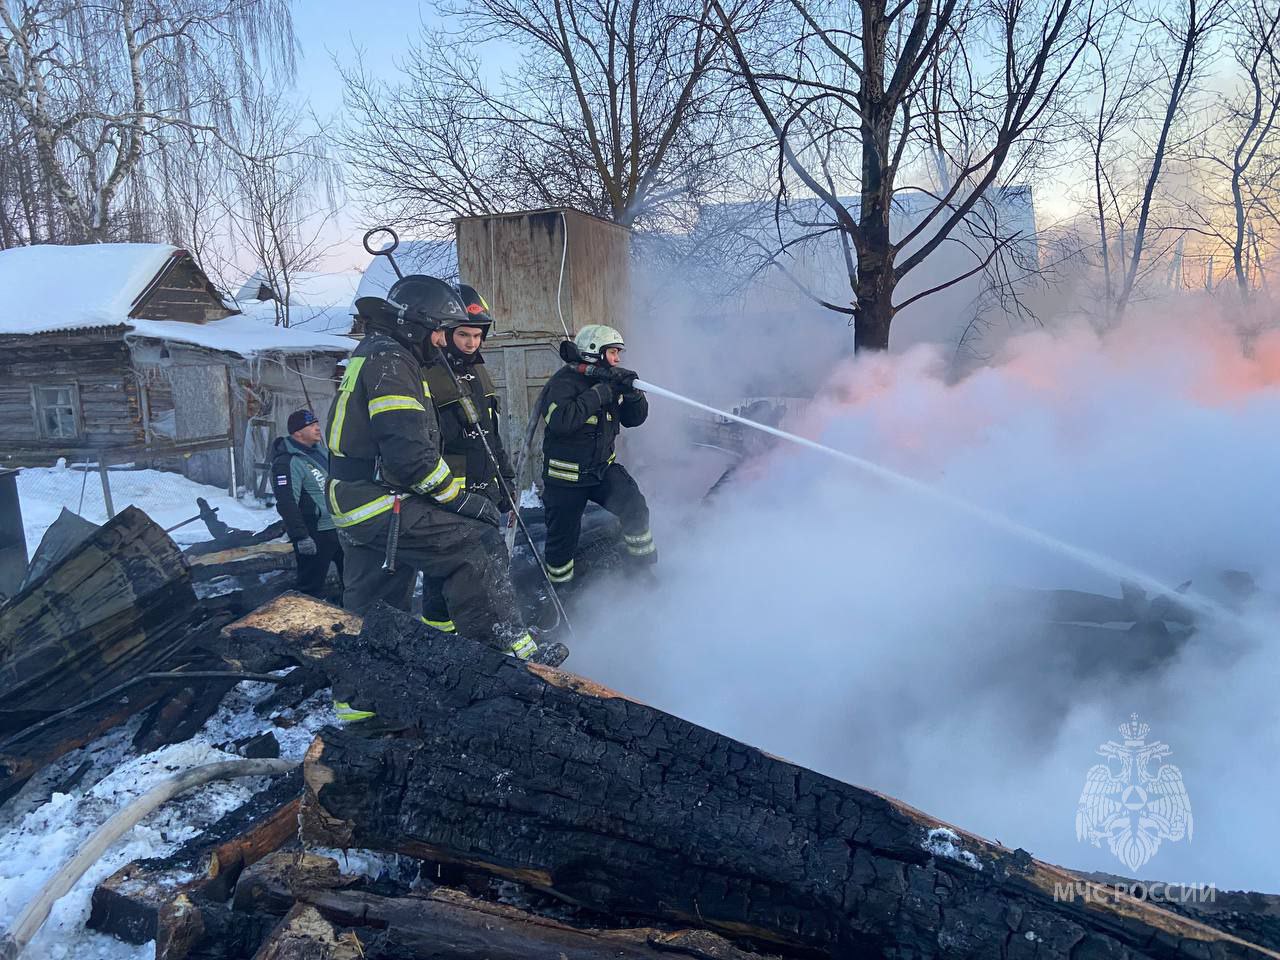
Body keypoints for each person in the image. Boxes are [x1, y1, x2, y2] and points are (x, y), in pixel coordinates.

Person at [324, 273, 566, 673]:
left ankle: (366, 708)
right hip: (378, 498)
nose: (442, 341)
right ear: (414, 324)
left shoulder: (377, 352)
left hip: (361, 496)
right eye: (439, 332)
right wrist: (463, 502)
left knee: (377, 613)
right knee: (478, 544)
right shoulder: (392, 361)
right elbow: (412, 457)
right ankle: (506, 658)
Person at [418, 283, 517, 633]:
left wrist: (506, 479)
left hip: (484, 486)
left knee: (493, 563)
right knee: (444, 567)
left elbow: (492, 433)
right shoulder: (427, 374)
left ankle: (490, 632)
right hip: (449, 492)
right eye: (463, 334)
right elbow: (425, 440)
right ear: (444, 331)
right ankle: (439, 634)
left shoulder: (479, 372)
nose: (471, 342)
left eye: (477, 335)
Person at [540, 324, 655, 589]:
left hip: (601, 471)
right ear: (594, 352)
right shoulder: (563, 382)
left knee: (634, 507)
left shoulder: (609, 382)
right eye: (614, 352)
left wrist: (632, 394)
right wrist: (599, 394)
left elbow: (633, 420)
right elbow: (561, 421)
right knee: (562, 539)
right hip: (565, 478)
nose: (617, 359)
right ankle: (560, 590)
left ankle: (640, 570)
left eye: (618, 354)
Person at [270, 408, 343, 598]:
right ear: (297, 433)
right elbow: (286, 502)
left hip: (339, 527)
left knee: (351, 581)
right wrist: (301, 536)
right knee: (310, 587)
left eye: (317, 424)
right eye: (311, 425)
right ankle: (308, 626)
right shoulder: (287, 462)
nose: (318, 428)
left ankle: (350, 621)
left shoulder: (321, 452)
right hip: (314, 533)